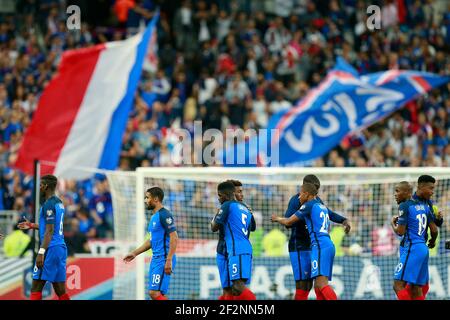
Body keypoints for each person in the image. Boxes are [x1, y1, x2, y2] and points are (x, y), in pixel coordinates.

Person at [282, 175, 351, 300]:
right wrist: (304, 218)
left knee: (316, 284)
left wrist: (343, 220)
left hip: (315, 246)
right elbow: (288, 223)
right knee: (304, 285)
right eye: (315, 189)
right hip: (299, 246)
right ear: (306, 189)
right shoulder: (295, 201)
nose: (317, 193)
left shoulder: (316, 201)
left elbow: (328, 213)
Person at [17, 175, 70, 300]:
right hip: (60, 248)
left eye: (41, 185)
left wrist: (41, 252)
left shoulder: (48, 205)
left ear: (46, 186)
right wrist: (32, 225)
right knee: (60, 290)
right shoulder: (59, 202)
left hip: (50, 248)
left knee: (35, 287)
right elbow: (51, 227)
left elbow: (49, 231)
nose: (39, 188)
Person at [124, 187, 178, 300]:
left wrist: (168, 260)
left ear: (156, 199)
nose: (145, 200)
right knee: (157, 294)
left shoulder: (165, 215)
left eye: (147, 197)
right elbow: (152, 240)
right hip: (156, 259)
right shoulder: (154, 217)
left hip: (164, 258)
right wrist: (134, 253)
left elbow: (174, 237)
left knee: (154, 293)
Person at [390, 181, 438, 300]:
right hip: (423, 248)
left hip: (412, 248)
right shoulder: (424, 206)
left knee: (398, 285)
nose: (395, 194)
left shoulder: (404, 206)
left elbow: (400, 232)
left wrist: (392, 224)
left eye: (397, 191)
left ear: (407, 192)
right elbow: (434, 230)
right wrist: (432, 241)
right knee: (416, 288)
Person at [211, 181, 256, 300]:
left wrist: (216, 216)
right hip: (230, 250)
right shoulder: (245, 209)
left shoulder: (227, 206)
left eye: (219, 196)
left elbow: (213, 227)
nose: (242, 194)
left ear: (225, 195)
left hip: (236, 249)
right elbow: (252, 227)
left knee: (237, 287)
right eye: (239, 191)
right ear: (233, 193)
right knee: (229, 290)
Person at [408, 175, 444, 298]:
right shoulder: (410, 202)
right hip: (411, 247)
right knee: (411, 285)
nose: (433, 192)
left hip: (421, 247)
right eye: (431, 188)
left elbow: (435, 224)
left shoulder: (428, 203)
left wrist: (439, 219)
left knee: (423, 285)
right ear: (421, 187)